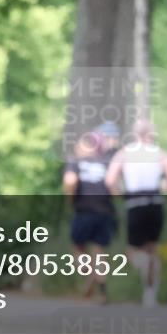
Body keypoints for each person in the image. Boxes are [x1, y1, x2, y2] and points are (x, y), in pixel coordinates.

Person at [105, 118, 167, 307]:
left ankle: (142, 264)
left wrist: (119, 195)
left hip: (134, 202)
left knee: (133, 250)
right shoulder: (161, 155)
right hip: (155, 202)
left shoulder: (124, 154)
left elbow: (109, 180)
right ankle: (150, 295)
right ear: (152, 134)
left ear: (135, 134)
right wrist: (165, 188)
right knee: (153, 248)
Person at [63, 126, 117, 303]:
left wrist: (70, 200)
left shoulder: (76, 162)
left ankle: (90, 275)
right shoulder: (107, 162)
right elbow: (115, 187)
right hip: (106, 211)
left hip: (84, 210)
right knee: (99, 251)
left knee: (77, 248)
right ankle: (102, 290)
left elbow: (70, 181)